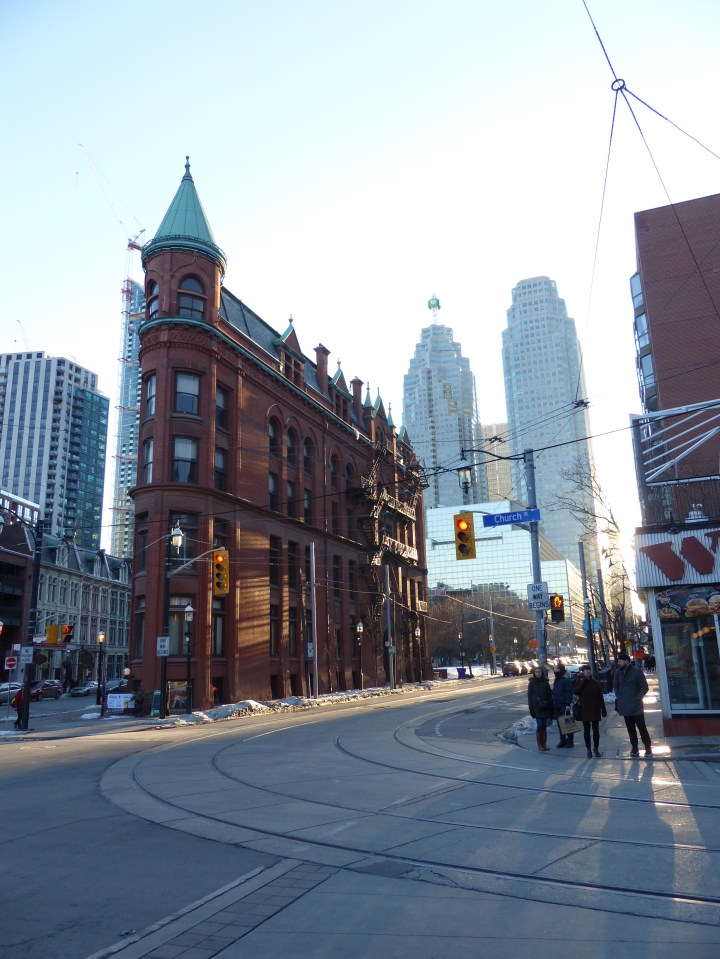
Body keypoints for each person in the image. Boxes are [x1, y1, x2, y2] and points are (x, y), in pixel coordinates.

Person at [614, 651, 652, 757]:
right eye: (618, 662)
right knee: (630, 728)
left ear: (627, 661)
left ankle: (648, 747)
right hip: (625, 704)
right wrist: (619, 695)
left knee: (641, 727)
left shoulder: (637, 672)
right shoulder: (618, 672)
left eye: (620, 661)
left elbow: (645, 687)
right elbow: (616, 686)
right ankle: (634, 748)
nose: (619, 664)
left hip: (636, 705)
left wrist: (637, 697)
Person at [573, 665, 607, 758]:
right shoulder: (579, 682)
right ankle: (588, 749)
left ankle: (596, 749)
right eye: (586, 670)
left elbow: (600, 696)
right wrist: (583, 681)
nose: (588, 672)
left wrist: (603, 709)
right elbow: (576, 691)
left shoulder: (595, 682)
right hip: (584, 709)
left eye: (589, 670)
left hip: (595, 709)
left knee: (596, 730)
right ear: (582, 672)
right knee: (586, 730)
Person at [528, 665, 554, 751]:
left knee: (544, 726)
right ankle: (540, 744)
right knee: (540, 725)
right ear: (534, 673)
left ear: (542, 673)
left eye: (539, 672)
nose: (538, 673)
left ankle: (544, 744)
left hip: (545, 706)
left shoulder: (545, 682)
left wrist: (551, 706)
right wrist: (531, 708)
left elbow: (549, 695)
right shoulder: (532, 682)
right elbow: (529, 696)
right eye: (536, 672)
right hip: (537, 708)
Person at [553, 663, 575, 748]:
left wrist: (567, 704)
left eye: (556, 669)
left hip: (564, 705)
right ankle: (562, 740)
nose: (555, 670)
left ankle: (570, 741)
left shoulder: (565, 680)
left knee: (567, 723)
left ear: (560, 670)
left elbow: (568, 692)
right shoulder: (557, 680)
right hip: (557, 704)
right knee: (560, 723)